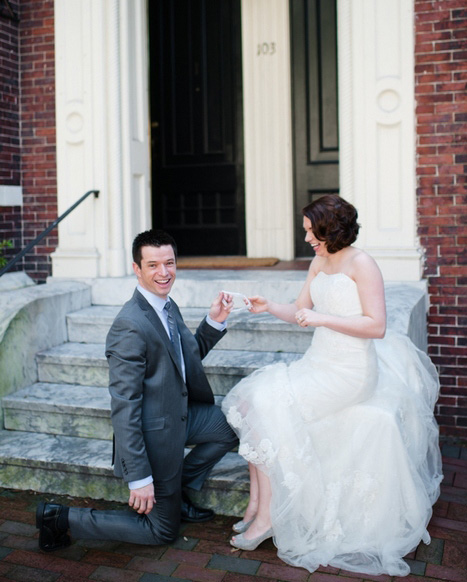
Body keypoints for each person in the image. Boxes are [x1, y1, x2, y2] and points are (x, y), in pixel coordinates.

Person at [222, 195, 442, 576]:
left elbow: (376, 326)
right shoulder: (319, 261)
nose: (306, 238)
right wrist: (268, 306)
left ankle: (267, 516)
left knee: (267, 408)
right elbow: (299, 311)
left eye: (311, 231)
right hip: (317, 364)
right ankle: (258, 505)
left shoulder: (362, 264)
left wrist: (322, 318)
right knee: (249, 404)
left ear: (330, 229)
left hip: (349, 373)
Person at [36, 229, 238, 551]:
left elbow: (183, 360)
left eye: (169, 263)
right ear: (137, 268)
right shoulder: (130, 324)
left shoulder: (167, 305)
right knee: (160, 532)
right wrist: (140, 477)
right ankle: (59, 517)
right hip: (153, 436)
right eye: (153, 265)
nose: (164, 273)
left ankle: (176, 487)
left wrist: (214, 322)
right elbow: (125, 405)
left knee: (231, 427)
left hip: (180, 415)